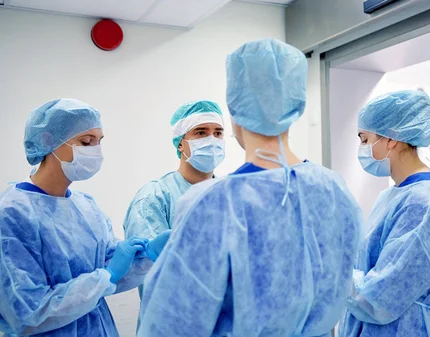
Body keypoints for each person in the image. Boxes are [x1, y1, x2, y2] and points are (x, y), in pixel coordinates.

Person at [138, 39, 363, 337]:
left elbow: (172, 325)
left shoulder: (213, 204)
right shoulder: (334, 190)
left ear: (235, 113)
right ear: (296, 105)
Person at [0, 99, 170, 337]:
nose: (96, 151)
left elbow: (109, 275)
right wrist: (106, 276)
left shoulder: (86, 207)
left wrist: (148, 255)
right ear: (49, 141)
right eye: (86, 142)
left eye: (99, 142)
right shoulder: (12, 215)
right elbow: (27, 313)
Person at [338, 90, 430, 337]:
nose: (362, 148)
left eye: (365, 139)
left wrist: (333, 271)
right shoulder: (393, 195)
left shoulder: (424, 202)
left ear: (392, 139)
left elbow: (381, 296)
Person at [123, 100, 225, 329]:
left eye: (218, 133)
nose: (212, 140)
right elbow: (154, 275)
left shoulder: (231, 194)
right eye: (201, 132)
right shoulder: (155, 197)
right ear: (181, 143)